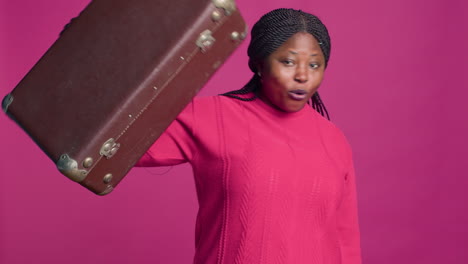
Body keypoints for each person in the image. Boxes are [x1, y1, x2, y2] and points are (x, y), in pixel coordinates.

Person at [136, 8, 362, 264]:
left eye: (314, 64)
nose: (303, 75)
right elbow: (116, 143)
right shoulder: (213, 116)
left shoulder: (333, 139)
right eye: (288, 61)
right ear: (258, 64)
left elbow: (345, 240)